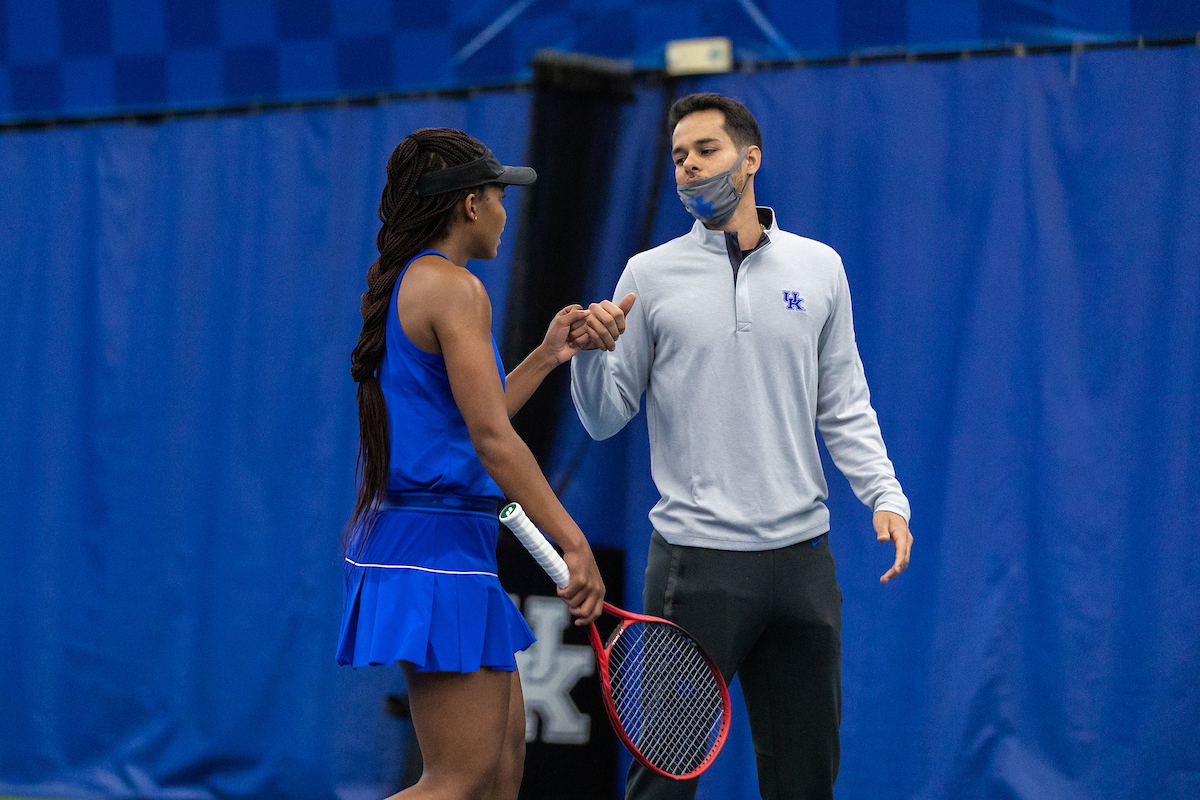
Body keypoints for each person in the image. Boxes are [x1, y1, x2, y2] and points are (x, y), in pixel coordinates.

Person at [568, 93, 913, 800]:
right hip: (695, 566)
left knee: (805, 783)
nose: (690, 168)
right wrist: (587, 356)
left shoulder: (820, 269)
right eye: (679, 158)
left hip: (802, 567)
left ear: (750, 160)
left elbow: (844, 402)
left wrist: (884, 494)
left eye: (706, 151)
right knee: (664, 782)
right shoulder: (648, 276)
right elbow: (605, 418)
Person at [338, 127, 605, 800]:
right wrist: (572, 541)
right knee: (457, 781)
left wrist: (545, 355)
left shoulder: (423, 283)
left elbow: (468, 422)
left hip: (442, 544)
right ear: (470, 205)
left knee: (498, 776)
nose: (505, 212)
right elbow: (491, 438)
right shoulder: (454, 287)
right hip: (434, 551)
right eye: (500, 195)